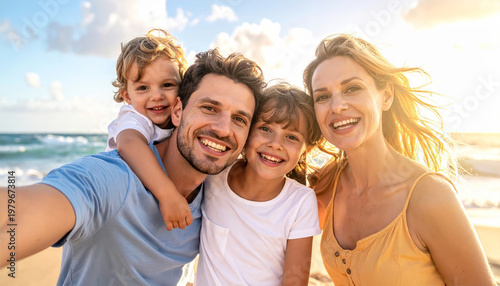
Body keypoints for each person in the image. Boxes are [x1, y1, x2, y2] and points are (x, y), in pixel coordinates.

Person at [0, 48, 266, 285]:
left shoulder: (216, 193)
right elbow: (23, 210)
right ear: (177, 111)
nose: (223, 129)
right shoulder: (115, 179)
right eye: (209, 108)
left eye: (240, 119)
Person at [303, 34, 496, 285]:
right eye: (323, 96)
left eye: (352, 88)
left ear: (386, 96)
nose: (337, 106)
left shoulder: (429, 196)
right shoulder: (326, 185)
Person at [195, 83, 322, 285]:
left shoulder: (300, 202)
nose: (275, 143)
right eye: (265, 128)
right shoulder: (216, 174)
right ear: (246, 131)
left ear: (306, 150)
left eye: (291, 137)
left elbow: (295, 282)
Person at [105, 28, 193, 231]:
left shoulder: (179, 118)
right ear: (127, 96)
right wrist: (167, 194)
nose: (157, 96)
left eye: (167, 85)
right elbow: (129, 144)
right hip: (120, 201)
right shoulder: (134, 118)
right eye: (143, 88)